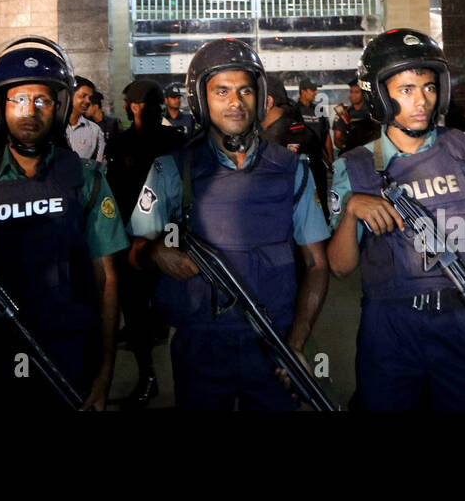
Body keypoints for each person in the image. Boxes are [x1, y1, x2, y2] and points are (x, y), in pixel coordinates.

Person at [328, 30, 465, 410]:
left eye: (429, 87)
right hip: (389, 328)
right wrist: (351, 210)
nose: (422, 101)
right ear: (379, 95)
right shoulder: (353, 167)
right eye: (407, 90)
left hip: (464, 317)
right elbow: (340, 267)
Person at [128, 39, 330, 411]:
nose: (236, 102)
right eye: (222, 91)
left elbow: (318, 264)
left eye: (245, 91)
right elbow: (135, 256)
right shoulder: (171, 170)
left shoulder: (292, 170)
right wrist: (158, 251)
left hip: (274, 342)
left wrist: (298, 345)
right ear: (201, 100)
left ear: (259, 97)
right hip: (200, 347)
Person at [0, 37, 127, 411]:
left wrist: (104, 373)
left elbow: (106, 280)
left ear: (58, 107)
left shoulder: (85, 179)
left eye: (41, 100)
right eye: (19, 100)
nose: (30, 110)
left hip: (65, 355)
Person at [105, 79, 183, 408]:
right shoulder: (120, 143)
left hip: (169, 239)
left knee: (177, 312)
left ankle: (178, 381)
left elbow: (182, 193)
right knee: (136, 315)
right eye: (140, 103)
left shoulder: (175, 140)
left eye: (152, 103)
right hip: (132, 242)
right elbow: (115, 195)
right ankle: (147, 376)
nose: (145, 109)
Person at [65, 76, 106, 162]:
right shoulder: (53, 126)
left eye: (89, 98)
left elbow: (97, 166)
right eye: (83, 96)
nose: (88, 101)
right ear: (69, 95)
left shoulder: (95, 130)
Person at [334, 77, 378, 154]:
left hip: (371, 153)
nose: (353, 95)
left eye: (357, 92)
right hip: (351, 154)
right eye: (351, 92)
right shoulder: (343, 113)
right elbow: (337, 138)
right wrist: (347, 149)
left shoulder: (372, 112)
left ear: (364, 94)